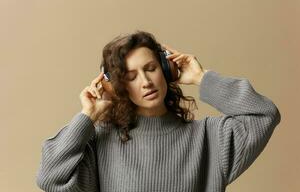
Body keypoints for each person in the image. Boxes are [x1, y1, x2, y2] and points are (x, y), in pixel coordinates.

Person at [36, 30, 281, 192]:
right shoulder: (102, 142)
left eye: (151, 68)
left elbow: (263, 114)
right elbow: (50, 177)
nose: (145, 82)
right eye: (131, 77)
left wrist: (202, 78)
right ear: (119, 86)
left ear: (165, 69)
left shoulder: (208, 138)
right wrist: (88, 117)